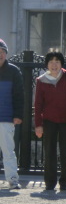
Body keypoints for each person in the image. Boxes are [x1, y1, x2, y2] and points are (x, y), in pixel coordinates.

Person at [34, 50, 66, 192]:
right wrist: (38, 124)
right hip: (49, 121)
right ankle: (50, 182)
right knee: (49, 152)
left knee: (65, 152)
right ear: (47, 64)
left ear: (61, 63)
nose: (54, 64)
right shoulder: (41, 80)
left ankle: (65, 182)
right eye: (51, 61)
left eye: (57, 61)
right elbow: (38, 104)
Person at [0, 39, 24, 190]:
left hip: (7, 118)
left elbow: (19, 95)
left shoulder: (14, 71)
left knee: (8, 150)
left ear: (6, 54)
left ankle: (13, 179)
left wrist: (18, 115)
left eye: (2, 52)